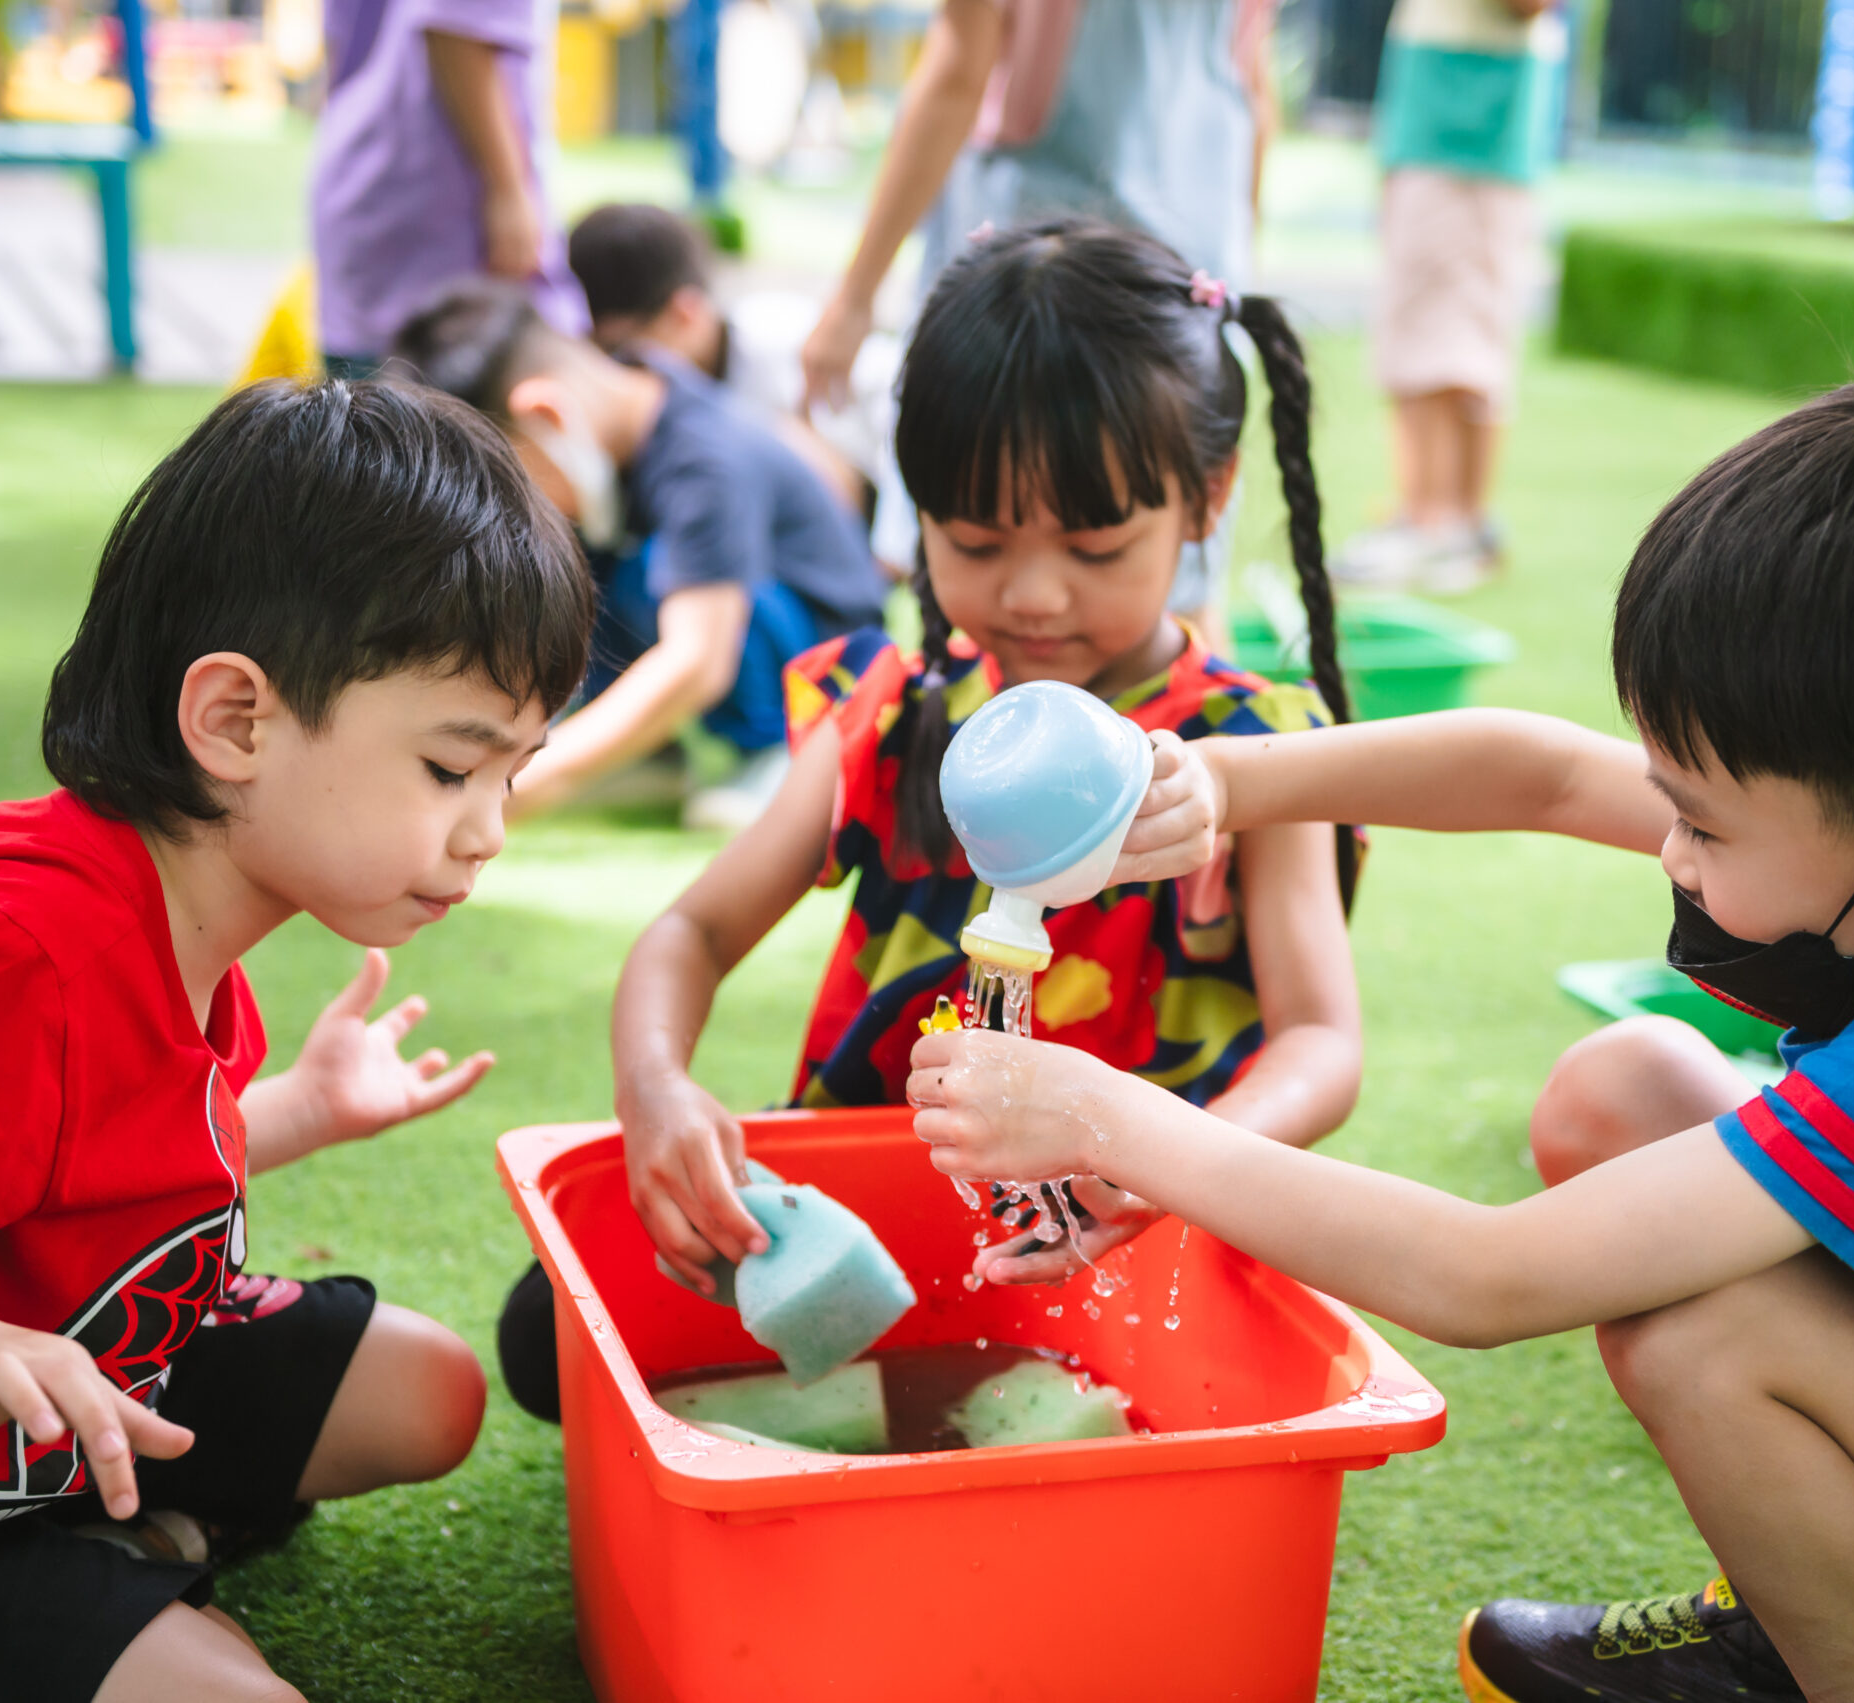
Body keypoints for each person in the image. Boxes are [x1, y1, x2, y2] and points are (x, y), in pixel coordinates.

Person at [912, 369, 1854, 1703]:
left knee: (1714, 1341)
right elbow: (1546, 772)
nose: (1666, 847)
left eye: (1701, 825)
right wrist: (1222, 776)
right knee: (1627, 1086)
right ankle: (1805, 1615)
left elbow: (1483, 1277)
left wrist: (1110, 1118)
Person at [0, 379, 593, 1702]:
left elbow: (84, 1162)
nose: (488, 829)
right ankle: (79, 1566)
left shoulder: (185, 920)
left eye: (509, 776)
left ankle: (101, 1537)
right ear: (235, 719)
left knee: (430, 1389)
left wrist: (289, 1107)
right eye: (450, 768)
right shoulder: (10, 951)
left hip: (62, 1387)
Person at [493, 220, 1364, 1416]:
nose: (1035, 593)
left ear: (1205, 497)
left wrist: (1167, 1165)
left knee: (1182, 1366)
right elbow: (690, 933)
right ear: (918, 514)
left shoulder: (1253, 755)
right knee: (549, 1327)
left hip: (1137, 1222)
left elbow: (1322, 1041)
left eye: (1097, 545)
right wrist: (654, 1084)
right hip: (884, 1219)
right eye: (976, 541)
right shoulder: (891, 712)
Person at [799, 0, 1279, 620]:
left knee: (992, 527)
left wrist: (855, 296)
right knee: (1167, 580)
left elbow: (957, 73)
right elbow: (1252, 83)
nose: (1037, 599)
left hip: (1029, 257)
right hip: (1185, 256)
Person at [390, 278, 887, 831]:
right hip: (715, 620)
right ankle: (656, 755)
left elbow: (698, 662)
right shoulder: (631, 417)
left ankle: (783, 753)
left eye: (515, 485)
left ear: (548, 415)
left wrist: (516, 785)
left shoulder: (703, 461)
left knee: (655, 568)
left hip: (825, 665)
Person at [1332, 0, 1562, 595]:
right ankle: (1436, 519)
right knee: (1430, 321)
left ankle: (1440, 524)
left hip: (1468, 115)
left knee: (1447, 331)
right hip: (1444, 104)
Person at [310, 0, 583, 374]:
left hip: (363, 181)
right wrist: (507, 188)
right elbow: (456, 27)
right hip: (443, 207)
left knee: (366, 404)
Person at [565, 201, 880, 521]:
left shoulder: (789, 351)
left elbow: (851, 486)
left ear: (684, 314)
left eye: (620, 350)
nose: (611, 372)